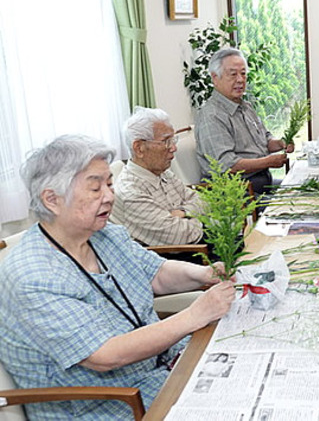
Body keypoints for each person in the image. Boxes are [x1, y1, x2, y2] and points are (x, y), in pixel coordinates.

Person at [0, 135, 235, 419]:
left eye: (109, 184)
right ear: (52, 200)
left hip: (158, 369)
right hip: (106, 403)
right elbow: (105, 355)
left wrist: (205, 274)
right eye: (95, 188)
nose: (110, 196)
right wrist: (195, 314)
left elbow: (157, 273)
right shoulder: (32, 276)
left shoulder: (105, 235)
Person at [195, 47, 293, 196]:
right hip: (236, 192)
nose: (240, 80)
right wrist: (268, 162)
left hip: (261, 183)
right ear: (215, 78)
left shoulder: (245, 106)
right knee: (292, 204)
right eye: (233, 74)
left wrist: (281, 143)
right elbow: (228, 165)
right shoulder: (212, 116)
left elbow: (265, 140)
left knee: (306, 191)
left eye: (243, 73)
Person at [110, 107, 204, 249]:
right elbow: (181, 236)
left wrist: (183, 213)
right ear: (139, 148)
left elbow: (202, 201)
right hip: (181, 257)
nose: (173, 148)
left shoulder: (163, 173)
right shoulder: (130, 193)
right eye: (166, 141)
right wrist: (201, 218)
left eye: (173, 140)